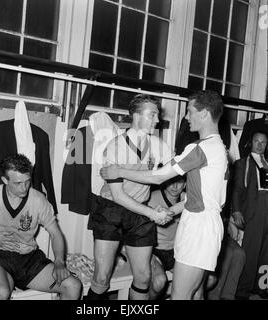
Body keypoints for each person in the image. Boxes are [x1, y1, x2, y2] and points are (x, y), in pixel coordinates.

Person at [101, 90, 229, 300]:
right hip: (207, 224)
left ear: (204, 114)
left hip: (198, 228)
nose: (186, 117)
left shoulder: (200, 148)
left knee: (180, 295)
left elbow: (159, 177)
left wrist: (119, 171)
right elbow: (196, 198)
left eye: (190, 111)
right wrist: (168, 210)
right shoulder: (219, 147)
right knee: (197, 293)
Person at [87, 94, 173, 300]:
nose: (157, 120)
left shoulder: (159, 145)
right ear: (135, 115)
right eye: (152, 114)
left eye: (157, 115)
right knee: (102, 277)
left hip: (140, 212)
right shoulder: (114, 147)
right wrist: (152, 213)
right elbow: (118, 196)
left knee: (144, 278)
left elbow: (173, 172)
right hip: (111, 211)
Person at [0, 154, 82, 300]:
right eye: (18, 183)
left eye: (27, 181)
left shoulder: (38, 199)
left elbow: (55, 233)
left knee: (73, 285)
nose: (24, 188)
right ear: (5, 180)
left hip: (29, 259)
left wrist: (59, 262)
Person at [232, 131, 268, 299]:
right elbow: (237, 190)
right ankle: (243, 290)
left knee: (266, 252)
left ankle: (261, 287)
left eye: (263, 142)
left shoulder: (267, 163)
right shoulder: (242, 163)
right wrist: (237, 210)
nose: (260, 145)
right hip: (255, 211)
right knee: (251, 251)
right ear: (250, 143)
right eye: (257, 141)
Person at [148, 175, 186, 299]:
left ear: (185, 184)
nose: (175, 186)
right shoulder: (152, 197)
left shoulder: (187, 199)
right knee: (159, 281)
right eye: (171, 182)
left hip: (177, 251)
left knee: (209, 279)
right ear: (164, 182)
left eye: (179, 182)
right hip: (155, 250)